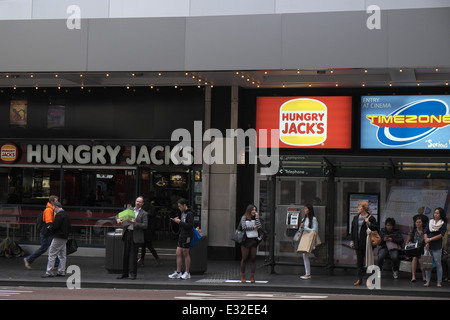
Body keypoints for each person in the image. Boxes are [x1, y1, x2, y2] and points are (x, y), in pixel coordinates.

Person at [116, 196, 148, 280]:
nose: (138, 203)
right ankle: (124, 273)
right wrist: (118, 219)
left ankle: (133, 274)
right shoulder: (129, 210)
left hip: (135, 235)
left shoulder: (144, 213)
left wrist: (135, 224)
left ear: (142, 204)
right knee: (125, 254)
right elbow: (118, 215)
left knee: (133, 256)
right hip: (127, 234)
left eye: (140, 202)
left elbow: (145, 225)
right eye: (137, 201)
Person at [24, 195, 60, 269]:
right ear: (52, 202)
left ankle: (56, 264)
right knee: (46, 248)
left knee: (52, 247)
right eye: (56, 201)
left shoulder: (51, 209)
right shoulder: (49, 210)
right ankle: (28, 259)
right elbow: (49, 222)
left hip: (47, 232)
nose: (58, 202)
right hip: (47, 233)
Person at [350, 201, 378, 286]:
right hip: (358, 243)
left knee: (368, 262)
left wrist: (369, 223)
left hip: (367, 243)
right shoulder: (356, 217)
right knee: (359, 262)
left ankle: (369, 279)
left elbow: (376, 227)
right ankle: (359, 279)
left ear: (364, 208)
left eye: (359, 207)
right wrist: (352, 241)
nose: (358, 208)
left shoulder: (371, 218)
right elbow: (353, 230)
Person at [41, 201, 72, 278]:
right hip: (64, 237)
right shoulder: (66, 215)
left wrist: (50, 228)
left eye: (54, 208)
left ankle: (49, 272)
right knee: (62, 255)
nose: (53, 209)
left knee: (52, 253)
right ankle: (61, 271)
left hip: (58, 236)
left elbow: (55, 226)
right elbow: (69, 227)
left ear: (57, 207)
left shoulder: (59, 215)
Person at [168, 198, 194, 280]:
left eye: (180, 206)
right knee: (178, 252)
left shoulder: (190, 214)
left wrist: (179, 222)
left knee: (186, 252)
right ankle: (179, 272)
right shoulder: (183, 212)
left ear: (184, 205)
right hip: (182, 234)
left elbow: (190, 225)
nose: (179, 208)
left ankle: (187, 272)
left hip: (187, 235)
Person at [424, 207, 447, 287]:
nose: (435, 214)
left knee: (438, 264)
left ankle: (439, 282)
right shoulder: (430, 221)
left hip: (437, 246)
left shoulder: (443, 224)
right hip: (428, 246)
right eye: (435, 213)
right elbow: (425, 232)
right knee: (427, 264)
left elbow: (441, 235)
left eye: (437, 213)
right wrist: (426, 241)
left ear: (441, 215)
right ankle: (427, 281)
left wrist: (430, 239)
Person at [239, 204, 262, 283]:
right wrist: (253, 228)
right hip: (246, 240)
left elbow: (259, 227)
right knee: (244, 258)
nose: (254, 211)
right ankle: (243, 276)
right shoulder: (244, 217)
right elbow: (243, 228)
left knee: (253, 258)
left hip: (253, 239)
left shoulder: (255, 218)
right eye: (252, 210)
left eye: (255, 210)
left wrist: (257, 218)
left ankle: (252, 276)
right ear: (249, 210)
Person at [298, 204, 318, 280]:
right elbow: (301, 230)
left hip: (309, 238)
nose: (304, 210)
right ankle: (307, 273)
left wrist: (305, 227)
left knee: (305, 255)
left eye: (306, 208)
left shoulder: (313, 219)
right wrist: (301, 228)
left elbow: (314, 230)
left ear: (309, 210)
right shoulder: (304, 218)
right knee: (305, 255)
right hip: (305, 238)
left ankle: (307, 273)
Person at [138, 201, 161, 267]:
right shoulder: (152, 211)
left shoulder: (145, 212)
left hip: (146, 231)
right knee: (147, 246)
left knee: (146, 246)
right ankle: (143, 260)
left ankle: (143, 260)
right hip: (150, 231)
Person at [405, 215, 426, 282]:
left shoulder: (425, 231)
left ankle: (424, 276)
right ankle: (413, 276)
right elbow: (407, 242)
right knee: (414, 258)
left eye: (419, 222)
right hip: (414, 249)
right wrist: (407, 253)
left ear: (422, 223)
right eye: (417, 222)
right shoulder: (413, 231)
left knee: (420, 260)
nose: (418, 224)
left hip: (422, 249)